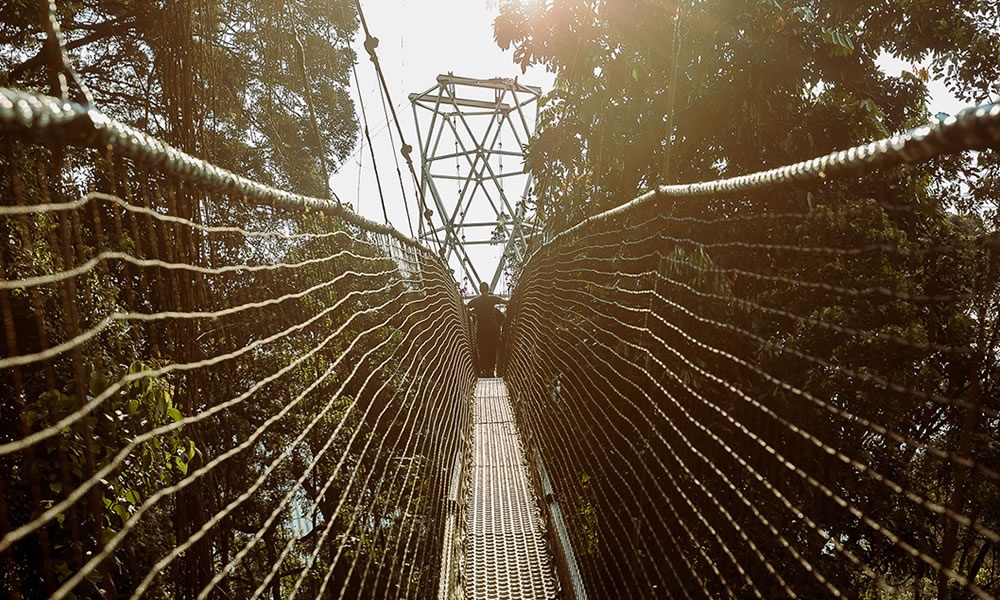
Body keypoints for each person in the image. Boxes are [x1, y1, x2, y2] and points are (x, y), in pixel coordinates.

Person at [467, 281, 507, 377]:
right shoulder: (492, 299)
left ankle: (484, 370)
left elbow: (467, 306)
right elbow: (505, 302)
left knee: (482, 350)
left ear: (480, 290)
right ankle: (491, 370)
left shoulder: (476, 301)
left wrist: (471, 313)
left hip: (481, 328)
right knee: (492, 349)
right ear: (488, 289)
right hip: (492, 329)